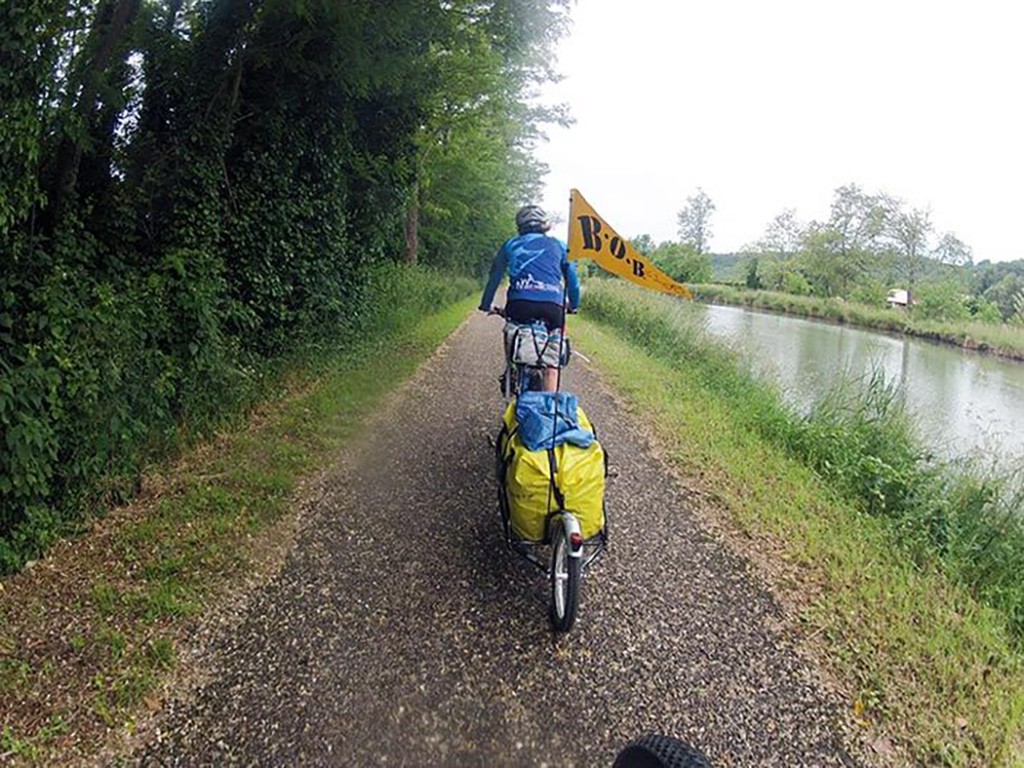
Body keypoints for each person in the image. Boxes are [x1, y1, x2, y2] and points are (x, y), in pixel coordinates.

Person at [479, 204, 580, 392]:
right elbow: (573, 281)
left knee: (511, 329)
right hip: (553, 307)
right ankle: (549, 407)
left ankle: (512, 369)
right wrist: (573, 305)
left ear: (520, 226)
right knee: (552, 364)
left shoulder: (511, 244)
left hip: (520, 304)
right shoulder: (560, 246)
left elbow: (495, 276)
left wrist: (486, 305)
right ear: (545, 225)